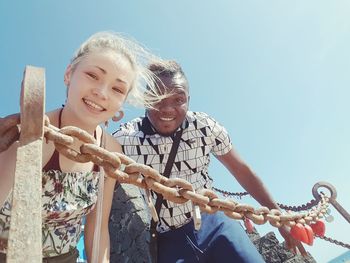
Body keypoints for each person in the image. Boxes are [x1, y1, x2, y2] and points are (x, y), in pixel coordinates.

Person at [113, 60, 307, 263]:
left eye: (178, 99)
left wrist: (279, 220)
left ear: (188, 99)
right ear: (146, 98)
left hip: (214, 222)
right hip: (167, 240)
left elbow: (242, 171)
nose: (168, 108)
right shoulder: (125, 139)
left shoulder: (204, 126)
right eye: (158, 97)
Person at [0, 31, 163, 263]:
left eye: (117, 89)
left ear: (121, 105)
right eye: (92, 75)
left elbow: (97, 231)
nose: (101, 92)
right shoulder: (31, 130)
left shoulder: (111, 151)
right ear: (69, 75)